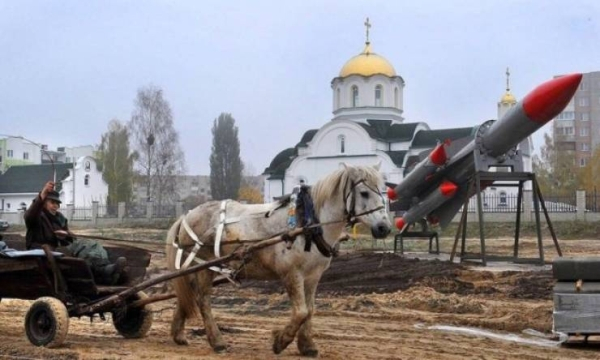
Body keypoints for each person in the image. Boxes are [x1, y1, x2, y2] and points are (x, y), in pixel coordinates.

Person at [24, 181, 127, 285]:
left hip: (60, 250)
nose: (55, 206)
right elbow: (29, 215)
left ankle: (106, 270)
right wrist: (43, 193)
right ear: (44, 202)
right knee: (83, 248)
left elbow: (71, 239)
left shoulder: (60, 218)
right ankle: (105, 273)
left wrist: (66, 235)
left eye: (57, 204)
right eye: (52, 203)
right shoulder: (37, 217)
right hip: (43, 251)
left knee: (94, 245)